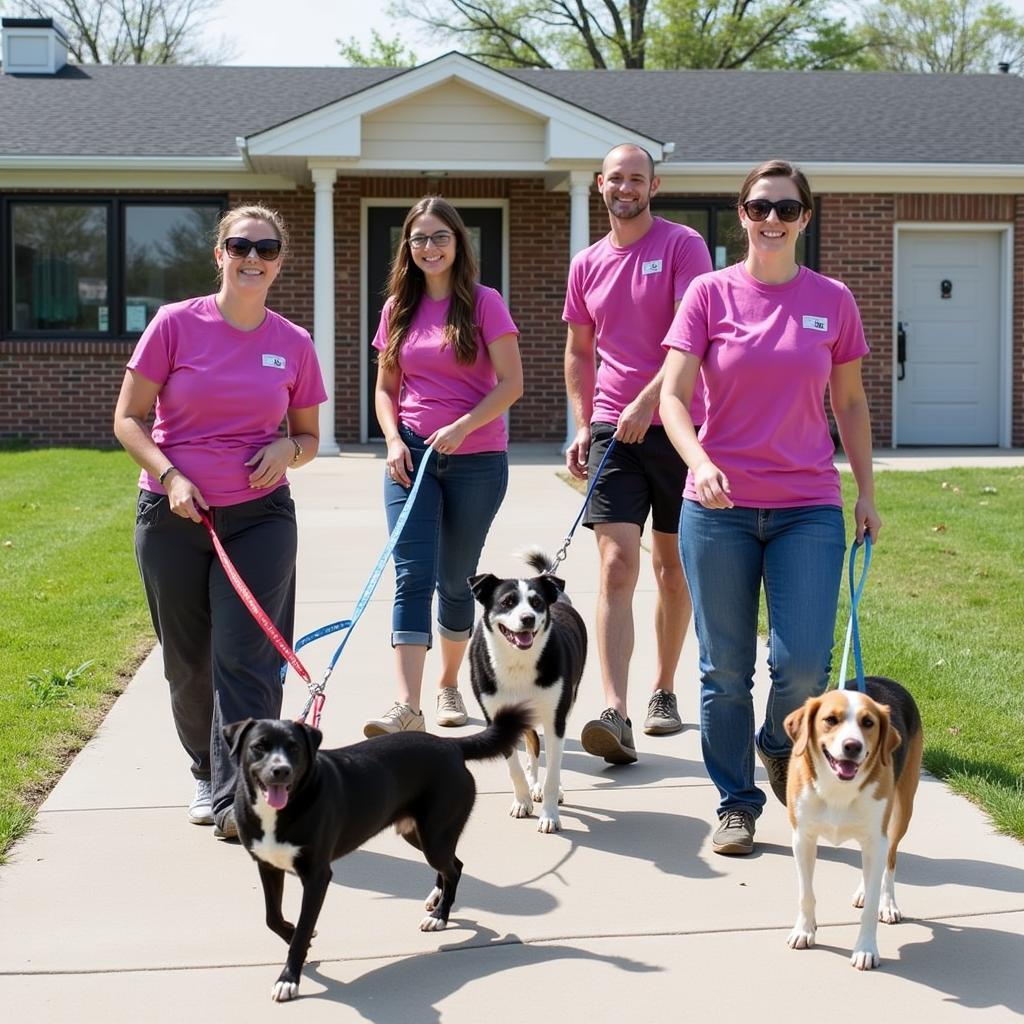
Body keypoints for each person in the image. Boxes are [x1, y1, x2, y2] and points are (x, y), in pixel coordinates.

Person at [659, 159, 881, 856]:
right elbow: (671, 397)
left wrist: (867, 492)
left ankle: (772, 739)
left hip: (807, 507)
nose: (773, 220)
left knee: (806, 668)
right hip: (717, 508)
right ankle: (736, 801)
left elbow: (848, 401)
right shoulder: (707, 294)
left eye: (788, 209)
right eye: (761, 208)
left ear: (805, 219)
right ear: (742, 214)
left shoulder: (833, 299)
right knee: (724, 668)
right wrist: (699, 462)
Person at [113, 204, 327, 840]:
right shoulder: (175, 325)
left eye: (266, 249)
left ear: (280, 262)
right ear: (220, 254)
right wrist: (171, 475)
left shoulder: (293, 344)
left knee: (247, 658)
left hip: (260, 520)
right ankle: (207, 769)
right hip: (173, 516)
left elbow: (310, 436)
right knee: (188, 664)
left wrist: (288, 449)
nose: (252, 258)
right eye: (241, 246)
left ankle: (246, 797)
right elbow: (128, 418)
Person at [563, 143, 713, 764]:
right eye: (615, 178)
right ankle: (615, 710)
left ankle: (663, 691)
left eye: (636, 179)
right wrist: (583, 423)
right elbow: (579, 350)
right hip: (612, 431)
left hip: (680, 424)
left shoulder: (682, 247)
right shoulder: (587, 263)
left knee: (671, 566)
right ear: (600, 184)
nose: (624, 187)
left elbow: (690, 336)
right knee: (617, 565)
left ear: (655, 185)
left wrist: (648, 401)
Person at [364, 196, 523, 738]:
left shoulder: (484, 303)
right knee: (412, 574)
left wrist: (462, 427)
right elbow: (385, 389)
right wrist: (391, 440)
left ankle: (449, 683)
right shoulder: (396, 309)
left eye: (439, 237)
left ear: (458, 243)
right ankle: (407, 704)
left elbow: (511, 384)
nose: (429, 248)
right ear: (406, 248)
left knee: (455, 581)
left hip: (476, 459)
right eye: (418, 239)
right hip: (411, 454)